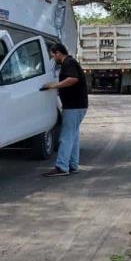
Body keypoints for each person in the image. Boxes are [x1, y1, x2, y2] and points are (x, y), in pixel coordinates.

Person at [41, 42, 88, 177]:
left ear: (58, 53)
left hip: (74, 106)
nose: (52, 59)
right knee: (73, 136)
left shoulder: (69, 63)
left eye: (52, 55)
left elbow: (73, 79)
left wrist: (54, 86)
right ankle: (72, 165)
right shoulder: (69, 62)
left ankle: (62, 167)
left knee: (66, 137)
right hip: (77, 105)